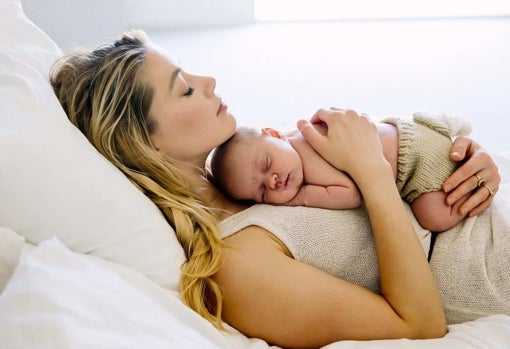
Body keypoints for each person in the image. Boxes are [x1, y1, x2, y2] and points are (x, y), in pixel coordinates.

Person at [50, 30, 506, 348]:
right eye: (185, 89)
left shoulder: (259, 168)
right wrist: (370, 172)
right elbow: (419, 325)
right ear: (146, 142)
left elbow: (401, 157)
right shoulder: (237, 264)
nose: (209, 82)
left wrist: (461, 158)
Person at [210, 113, 478, 232]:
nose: (273, 180)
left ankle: (473, 194)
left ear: (274, 133)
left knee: (432, 217)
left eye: (267, 164)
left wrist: (302, 197)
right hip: (407, 135)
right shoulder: (294, 140)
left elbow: (350, 194)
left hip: (416, 158)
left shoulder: (306, 150)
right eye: (262, 191)